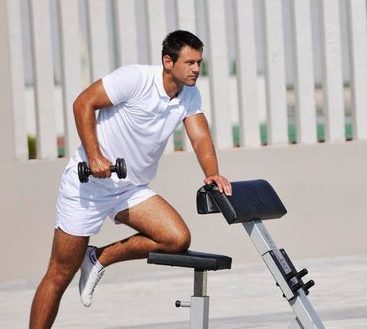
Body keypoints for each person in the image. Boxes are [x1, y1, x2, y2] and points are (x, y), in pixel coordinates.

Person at [29, 30, 232, 329]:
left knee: (176, 238)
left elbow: (200, 135)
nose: (196, 70)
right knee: (60, 272)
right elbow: (82, 103)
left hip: (130, 188)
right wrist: (95, 156)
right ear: (167, 61)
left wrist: (211, 172)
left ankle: (99, 257)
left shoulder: (190, 95)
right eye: (189, 62)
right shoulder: (135, 79)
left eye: (199, 63)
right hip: (87, 186)